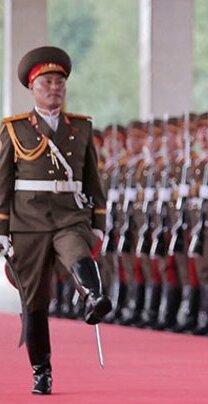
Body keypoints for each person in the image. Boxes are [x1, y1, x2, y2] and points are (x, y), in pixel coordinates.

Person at [0, 46, 111, 395]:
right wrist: (1, 230)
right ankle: (41, 370)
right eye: (47, 82)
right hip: (28, 223)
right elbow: (2, 183)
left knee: (77, 249)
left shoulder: (81, 127)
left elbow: (93, 179)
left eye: (60, 82)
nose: (55, 88)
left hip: (68, 215)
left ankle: (93, 297)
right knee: (34, 301)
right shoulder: (14, 129)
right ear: (33, 87)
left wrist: (98, 223)